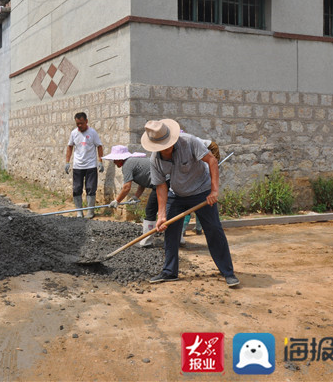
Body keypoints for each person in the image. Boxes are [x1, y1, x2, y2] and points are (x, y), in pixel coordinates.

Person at [141, 119, 240, 288]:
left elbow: (212, 161)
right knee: (170, 231)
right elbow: (161, 186)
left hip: (201, 191)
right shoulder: (155, 160)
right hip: (176, 194)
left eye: (167, 144)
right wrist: (162, 214)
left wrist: (214, 191)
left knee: (214, 230)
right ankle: (169, 272)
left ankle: (228, 272)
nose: (165, 149)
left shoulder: (189, 141)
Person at [102, 145, 157, 247]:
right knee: (168, 210)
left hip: (161, 185)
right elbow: (143, 181)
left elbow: (126, 187)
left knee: (150, 211)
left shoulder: (127, 165)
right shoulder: (134, 162)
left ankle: (146, 242)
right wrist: (136, 196)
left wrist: (116, 201)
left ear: (120, 158)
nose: (114, 162)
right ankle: (178, 239)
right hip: (163, 183)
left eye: (115, 159)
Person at [65, 112, 104, 218]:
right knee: (77, 188)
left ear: (86, 121)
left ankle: (90, 212)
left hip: (91, 166)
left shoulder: (92, 133)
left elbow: (99, 146)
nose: (79, 126)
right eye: (77, 124)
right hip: (78, 166)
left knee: (90, 188)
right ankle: (79, 211)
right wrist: (67, 162)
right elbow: (70, 147)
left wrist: (100, 161)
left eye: (81, 123)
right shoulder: (74, 133)